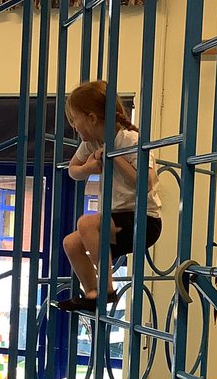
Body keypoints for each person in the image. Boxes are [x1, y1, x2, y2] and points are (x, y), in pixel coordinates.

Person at [55, 80, 163, 313]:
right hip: (115, 220)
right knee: (71, 243)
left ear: (92, 118)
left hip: (143, 220)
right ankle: (93, 292)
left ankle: (107, 288)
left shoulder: (131, 140)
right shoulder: (92, 142)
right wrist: (89, 168)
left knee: (86, 222)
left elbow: (147, 183)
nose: (74, 126)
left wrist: (115, 158)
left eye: (75, 120)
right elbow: (73, 170)